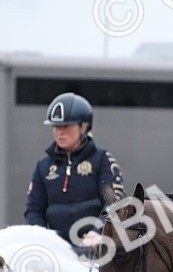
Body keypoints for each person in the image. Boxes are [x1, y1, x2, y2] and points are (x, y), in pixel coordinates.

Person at [24, 92, 123, 248]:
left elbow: (115, 202)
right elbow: (33, 209)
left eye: (66, 126)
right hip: (58, 250)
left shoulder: (103, 160)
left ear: (83, 127)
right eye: (56, 126)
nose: (60, 132)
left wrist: (98, 230)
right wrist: (44, 238)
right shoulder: (43, 166)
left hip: (95, 247)